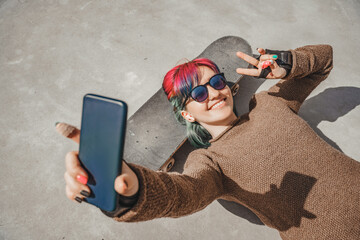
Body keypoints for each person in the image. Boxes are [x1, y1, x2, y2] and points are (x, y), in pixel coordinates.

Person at [57, 45, 360, 240]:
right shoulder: (209, 161)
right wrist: (133, 191)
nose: (214, 93)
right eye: (199, 94)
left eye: (216, 82)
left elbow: (324, 60)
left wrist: (288, 62)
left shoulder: (268, 103)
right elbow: (183, 194)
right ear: (187, 114)